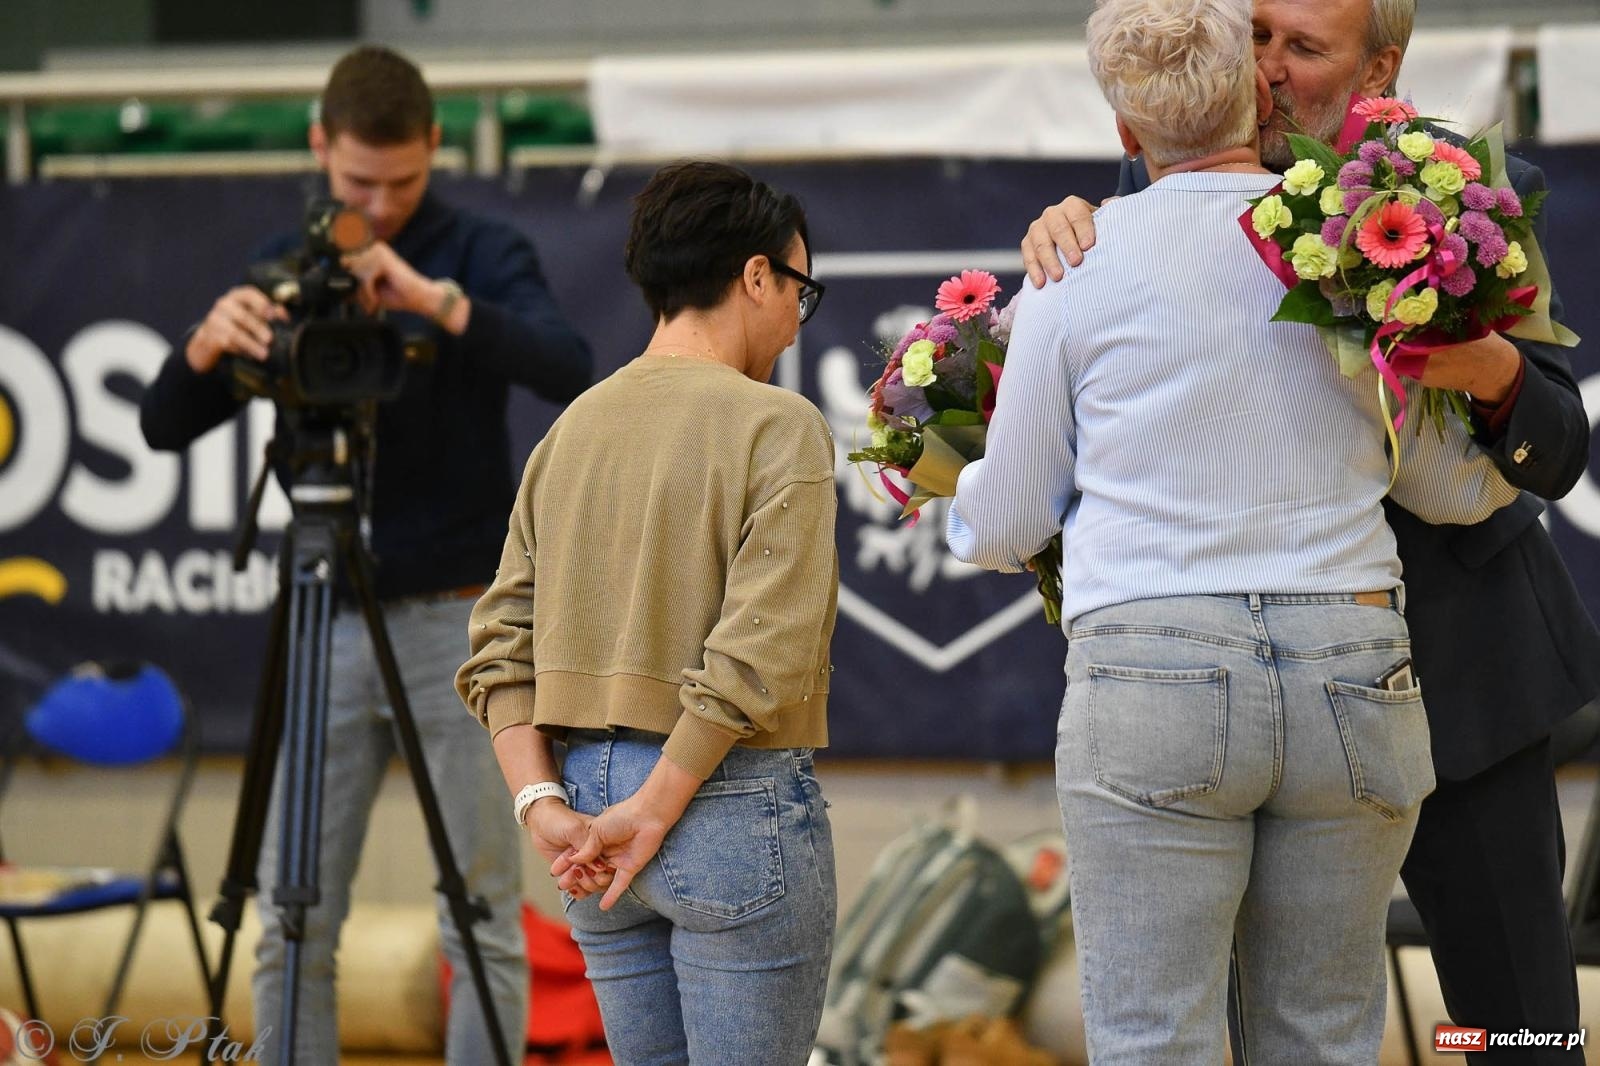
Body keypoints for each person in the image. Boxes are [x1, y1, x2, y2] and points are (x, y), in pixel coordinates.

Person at [947, 0, 1526, 1059]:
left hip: (1153, 672)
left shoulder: (1070, 277)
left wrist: (956, 510)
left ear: (1126, 135)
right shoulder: (1343, 261)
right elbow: (1451, 487)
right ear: (1254, 98)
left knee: (1153, 1032)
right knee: (1321, 1030)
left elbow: (1011, 515)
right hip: (1350, 665)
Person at [139, 45, 592, 1065]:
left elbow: (568, 363)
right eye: (356, 185)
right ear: (318, 147)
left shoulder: (478, 249)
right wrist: (209, 345)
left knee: (480, 904)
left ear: (435, 146)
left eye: (402, 182)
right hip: (322, 609)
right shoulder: (285, 267)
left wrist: (433, 302)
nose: (379, 207)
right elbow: (164, 424)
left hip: (460, 620)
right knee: (294, 912)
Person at [456, 160, 839, 1065]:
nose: (793, 318)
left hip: (585, 814)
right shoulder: (778, 425)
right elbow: (760, 652)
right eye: (799, 289)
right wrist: (658, 807)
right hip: (723, 799)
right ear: (755, 275)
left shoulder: (571, 430)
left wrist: (539, 800)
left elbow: (498, 649)